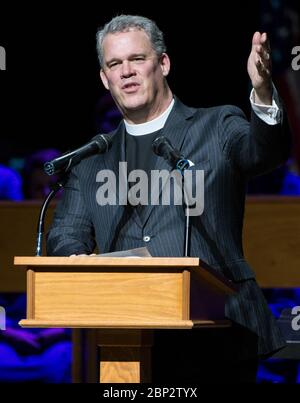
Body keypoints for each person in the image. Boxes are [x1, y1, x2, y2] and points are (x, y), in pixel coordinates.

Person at [46, 15, 291, 382]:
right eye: (115, 64)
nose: (126, 71)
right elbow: (65, 234)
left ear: (163, 63)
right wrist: (75, 260)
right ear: (104, 78)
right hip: (126, 337)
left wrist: (263, 92)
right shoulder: (91, 159)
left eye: (137, 59)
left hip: (220, 332)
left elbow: (264, 152)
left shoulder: (218, 126)